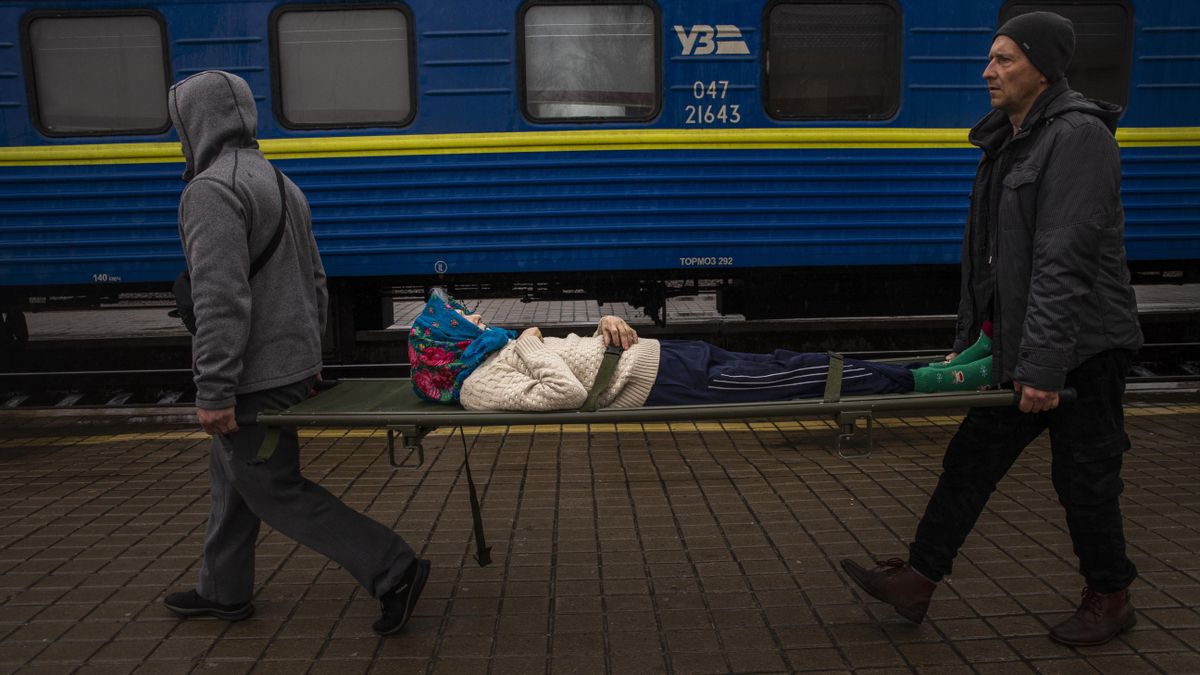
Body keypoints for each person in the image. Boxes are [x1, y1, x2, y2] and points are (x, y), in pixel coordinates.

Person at [839, 12, 1143, 647]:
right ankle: (918, 580)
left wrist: (1043, 367)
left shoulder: (1078, 139)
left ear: (1043, 67)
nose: (988, 72)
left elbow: (1065, 258)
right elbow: (990, 257)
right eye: (990, 58)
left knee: (1084, 481)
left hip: (1079, 351)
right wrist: (973, 334)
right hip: (1020, 344)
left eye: (1004, 59)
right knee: (968, 463)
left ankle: (1111, 597)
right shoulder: (1011, 139)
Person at [162, 71, 429, 637]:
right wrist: (309, 362)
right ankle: (222, 590)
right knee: (233, 481)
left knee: (273, 489)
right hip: (286, 369)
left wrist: (213, 390)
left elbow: (220, 300)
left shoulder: (209, 191)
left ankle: (392, 567)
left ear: (194, 124)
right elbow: (316, 282)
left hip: (251, 379)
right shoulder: (282, 183)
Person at [407, 294, 997, 412]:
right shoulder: (480, 387)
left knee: (792, 362)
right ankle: (931, 384)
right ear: (447, 345)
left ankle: (934, 367)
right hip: (663, 386)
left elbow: (574, 357)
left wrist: (604, 322)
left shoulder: (494, 351)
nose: (476, 316)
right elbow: (564, 392)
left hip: (664, 355)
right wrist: (532, 345)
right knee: (812, 380)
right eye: (463, 317)